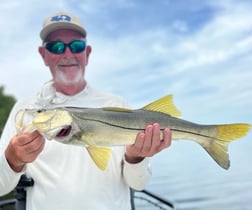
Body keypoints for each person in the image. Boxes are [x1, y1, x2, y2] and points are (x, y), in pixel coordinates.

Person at [0, 11, 172, 210]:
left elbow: (138, 184)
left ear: (87, 53)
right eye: (55, 47)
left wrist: (136, 158)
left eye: (76, 46)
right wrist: (13, 159)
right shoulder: (25, 110)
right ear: (44, 55)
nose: (67, 54)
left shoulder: (117, 104)